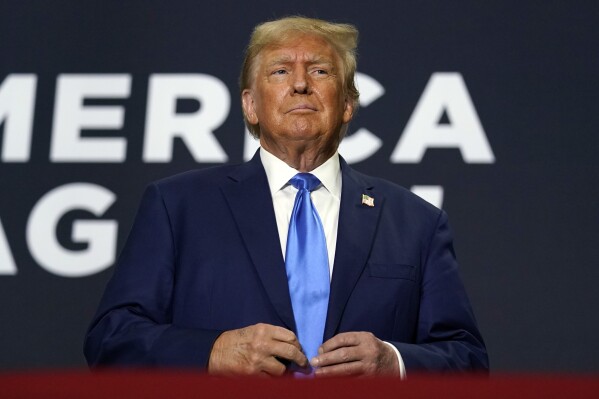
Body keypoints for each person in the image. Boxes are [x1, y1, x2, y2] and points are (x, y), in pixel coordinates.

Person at [84, 16, 488, 377]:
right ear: (250, 105)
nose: (300, 84)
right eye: (280, 71)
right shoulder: (178, 206)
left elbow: (467, 358)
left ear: (347, 104)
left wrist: (394, 362)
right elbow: (111, 339)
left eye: (320, 71)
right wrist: (211, 351)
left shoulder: (416, 222)